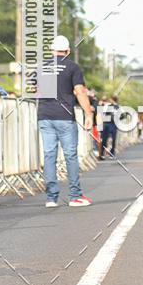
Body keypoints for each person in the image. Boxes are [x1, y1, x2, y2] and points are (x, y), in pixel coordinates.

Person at [35, 35, 93, 207]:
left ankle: (51, 198)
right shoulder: (72, 67)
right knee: (70, 155)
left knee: (49, 155)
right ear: (67, 51)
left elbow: (36, 90)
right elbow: (80, 91)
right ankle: (75, 196)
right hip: (65, 116)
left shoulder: (40, 67)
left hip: (45, 115)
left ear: (51, 50)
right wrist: (88, 114)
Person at [99, 94, 119, 159]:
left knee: (110, 139)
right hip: (108, 123)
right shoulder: (108, 105)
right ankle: (103, 153)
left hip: (111, 124)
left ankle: (109, 153)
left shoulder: (117, 106)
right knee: (106, 139)